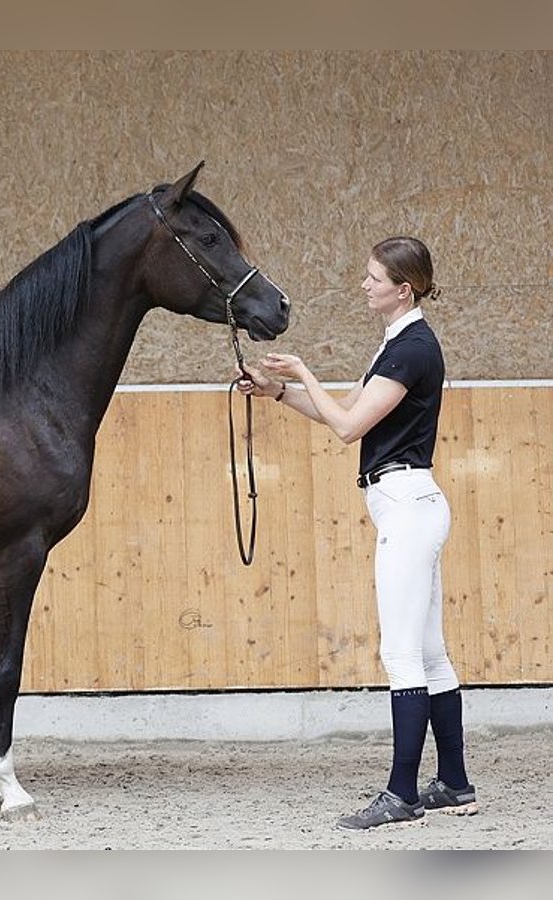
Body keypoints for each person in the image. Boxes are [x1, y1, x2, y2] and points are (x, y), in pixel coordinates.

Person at [237, 236, 477, 830]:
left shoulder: (411, 350)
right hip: (410, 503)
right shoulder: (399, 345)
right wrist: (279, 392)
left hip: (406, 504)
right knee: (429, 652)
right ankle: (453, 782)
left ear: (404, 290)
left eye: (375, 278)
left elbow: (346, 427)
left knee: (402, 655)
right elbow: (343, 409)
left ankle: (402, 794)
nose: (365, 284)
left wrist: (302, 370)